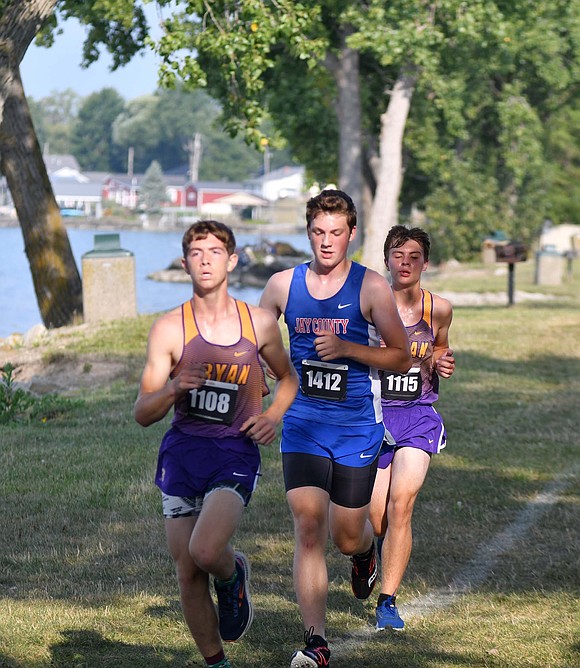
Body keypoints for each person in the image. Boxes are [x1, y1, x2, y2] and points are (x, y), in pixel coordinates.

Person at [134, 220, 298, 668]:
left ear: (232, 259)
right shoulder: (169, 329)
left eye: (214, 251)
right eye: (195, 252)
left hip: (234, 451)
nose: (204, 260)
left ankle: (232, 575)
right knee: (187, 571)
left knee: (205, 551)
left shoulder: (258, 323)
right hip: (182, 455)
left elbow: (288, 378)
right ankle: (216, 662)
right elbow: (142, 413)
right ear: (185, 261)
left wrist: (271, 417)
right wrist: (173, 389)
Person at [259, 190, 412, 668]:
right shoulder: (283, 284)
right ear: (308, 233)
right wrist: (263, 367)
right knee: (308, 528)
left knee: (346, 535)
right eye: (318, 232)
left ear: (351, 234)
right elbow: (257, 341)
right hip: (303, 423)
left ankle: (364, 554)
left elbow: (400, 354)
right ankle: (316, 641)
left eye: (336, 233)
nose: (327, 242)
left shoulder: (370, 288)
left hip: (356, 427)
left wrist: (348, 350)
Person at [369, 224, 455, 631]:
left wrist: (443, 360)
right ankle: (367, 553)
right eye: (398, 256)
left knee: (401, 505)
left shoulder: (438, 307)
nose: (405, 264)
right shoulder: (368, 303)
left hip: (417, 416)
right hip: (373, 414)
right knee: (373, 516)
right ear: (386, 260)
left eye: (414, 257)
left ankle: (387, 601)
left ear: (426, 262)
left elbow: (439, 346)